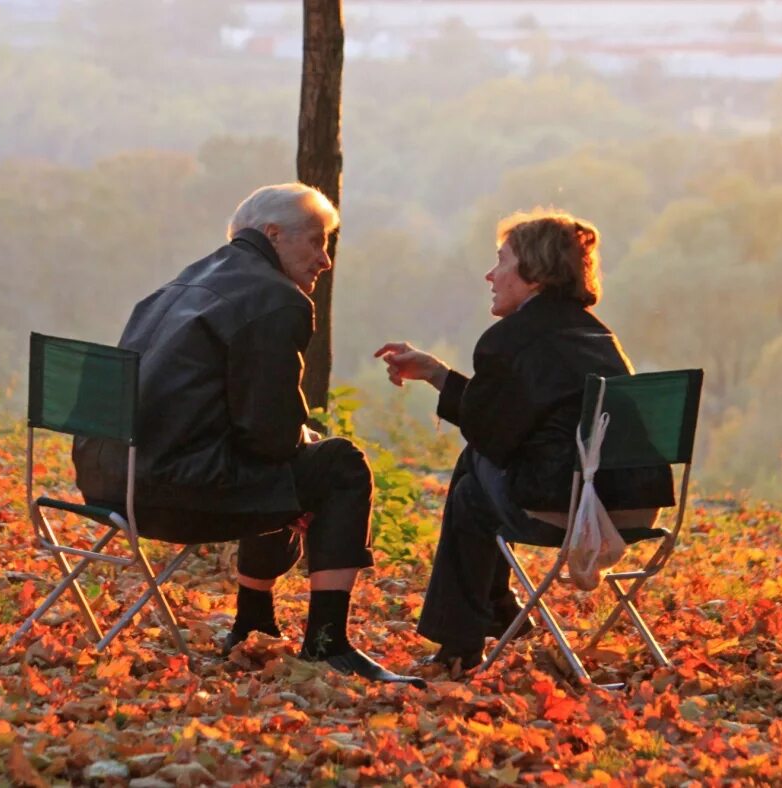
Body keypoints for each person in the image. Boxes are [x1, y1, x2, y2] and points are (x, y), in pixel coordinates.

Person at [74, 183, 425, 687]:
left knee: (296, 459)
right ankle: (328, 644)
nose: (324, 260)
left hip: (109, 481)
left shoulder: (180, 285)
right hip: (171, 493)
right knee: (340, 465)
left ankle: (253, 623)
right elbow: (270, 437)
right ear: (274, 234)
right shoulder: (277, 299)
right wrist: (302, 447)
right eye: (316, 241)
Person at [375, 209, 675, 673]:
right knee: (478, 472)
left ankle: (460, 645)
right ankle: (494, 607)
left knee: (473, 476)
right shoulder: (600, 336)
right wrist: (437, 373)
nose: (490, 275)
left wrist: (437, 378)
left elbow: (489, 434)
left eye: (502, 262)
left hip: (570, 512)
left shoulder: (509, 340)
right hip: (635, 508)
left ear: (533, 274)